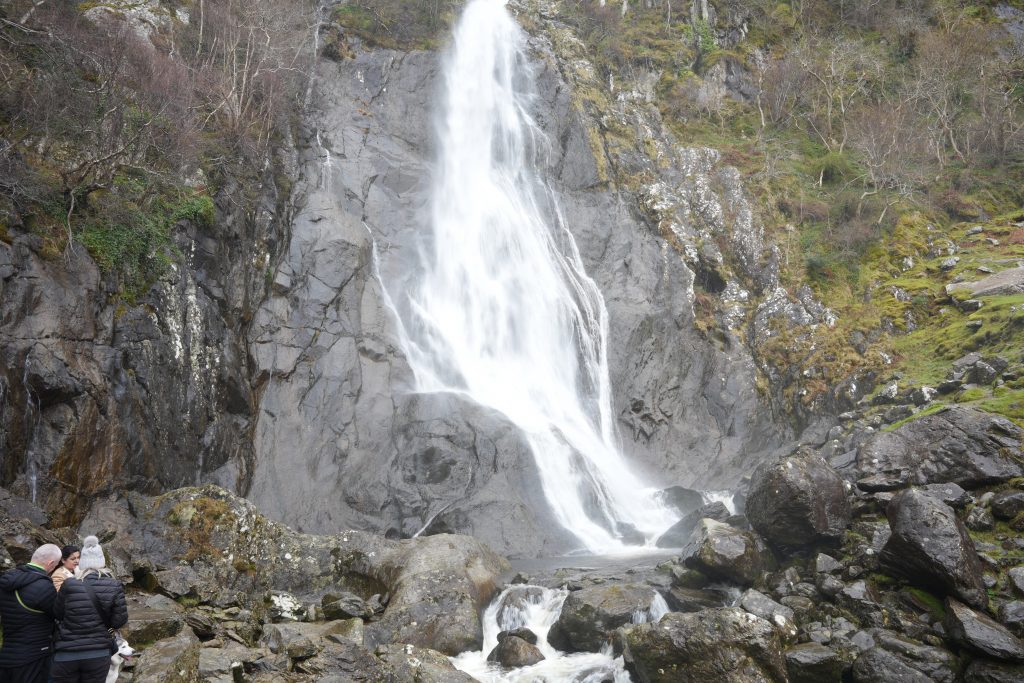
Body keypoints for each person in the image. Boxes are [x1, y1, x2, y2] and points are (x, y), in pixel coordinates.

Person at [52, 536, 127, 683]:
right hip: (98, 653)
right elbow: (119, 621)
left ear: (83, 562)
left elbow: (58, 614)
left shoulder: (68, 584)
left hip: (67, 652)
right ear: (102, 561)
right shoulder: (114, 585)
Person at [0, 543, 62, 683]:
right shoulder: (44, 586)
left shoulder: (6, 579)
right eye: (56, 564)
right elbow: (59, 614)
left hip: (7, 653)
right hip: (34, 655)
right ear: (51, 563)